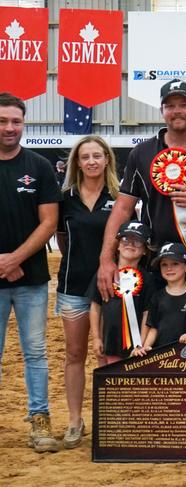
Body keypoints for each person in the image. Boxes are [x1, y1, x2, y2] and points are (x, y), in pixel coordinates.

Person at [96, 79, 186, 301]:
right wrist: (106, 259)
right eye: (170, 106)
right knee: (160, 329)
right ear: (162, 110)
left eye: (184, 104)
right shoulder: (141, 153)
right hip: (158, 262)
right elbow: (123, 208)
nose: (177, 111)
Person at [0, 92, 61, 453]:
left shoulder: (38, 166)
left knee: (35, 353)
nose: (9, 127)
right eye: (3, 121)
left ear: (24, 123)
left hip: (31, 280)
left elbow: (49, 222)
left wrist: (13, 258)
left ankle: (40, 421)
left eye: (16, 121)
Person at [55, 135, 119, 449]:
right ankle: (74, 420)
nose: (91, 161)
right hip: (74, 287)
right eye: (85, 157)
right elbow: (61, 239)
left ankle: (110, 420)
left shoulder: (120, 197)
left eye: (97, 155)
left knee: (109, 354)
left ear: (107, 159)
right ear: (77, 163)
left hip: (112, 289)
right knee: (75, 354)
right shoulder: (64, 198)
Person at [89, 221, 154, 364]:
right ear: (117, 246)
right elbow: (95, 307)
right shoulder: (104, 275)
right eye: (125, 239)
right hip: (110, 340)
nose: (130, 244)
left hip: (136, 348)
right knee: (111, 380)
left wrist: (140, 343)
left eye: (137, 241)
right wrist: (96, 338)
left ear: (145, 250)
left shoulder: (148, 280)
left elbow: (147, 313)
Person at [134, 242, 186, 355]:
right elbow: (154, 328)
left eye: (175, 263)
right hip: (163, 356)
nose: (169, 268)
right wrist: (145, 347)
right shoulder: (157, 296)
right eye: (164, 265)